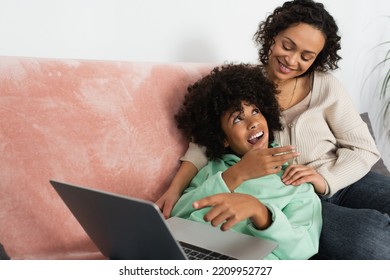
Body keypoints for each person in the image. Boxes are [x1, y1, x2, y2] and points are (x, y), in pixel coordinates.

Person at [157, 0, 390, 259]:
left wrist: (324, 178)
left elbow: (363, 149)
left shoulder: (326, 86)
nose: (291, 60)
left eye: (306, 56)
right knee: (373, 239)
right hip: (297, 194)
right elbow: (205, 140)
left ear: (317, 59)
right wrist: (175, 188)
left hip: (341, 177)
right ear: (272, 36)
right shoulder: (246, 85)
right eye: (287, 46)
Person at [171, 63, 322, 260]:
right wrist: (234, 176)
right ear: (223, 138)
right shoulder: (213, 171)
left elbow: (303, 249)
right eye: (237, 119)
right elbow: (177, 216)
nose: (253, 123)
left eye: (255, 111)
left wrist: (261, 213)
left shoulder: (293, 181)